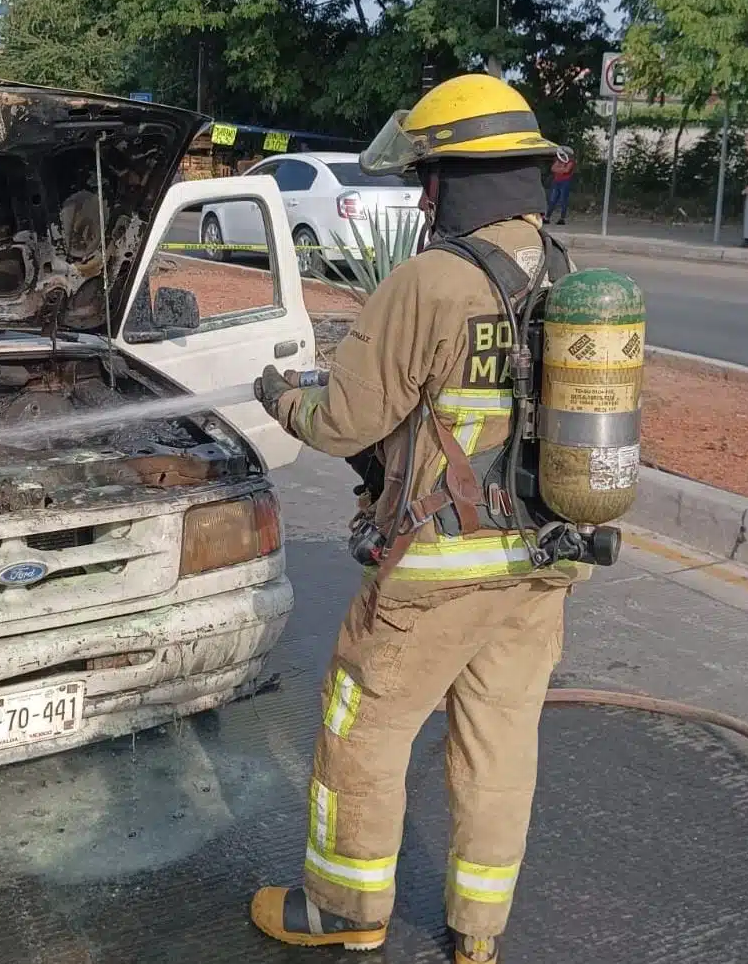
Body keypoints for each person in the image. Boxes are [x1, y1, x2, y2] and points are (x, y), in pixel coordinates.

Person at [248, 74, 588, 964]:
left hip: (435, 576)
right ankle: (478, 935)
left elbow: (343, 423)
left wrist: (280, 395)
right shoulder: (566, 273)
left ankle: (344, 910)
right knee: (500, 743)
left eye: (424, 179)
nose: (421, 196)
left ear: (443, 181)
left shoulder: (429, 281)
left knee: (360, 733)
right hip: (542, 563)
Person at [545, 146, 575, 224]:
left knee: (563, 201)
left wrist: (558, 168)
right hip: (557, 182)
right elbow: (553, 169)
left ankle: (562, 219)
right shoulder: (559, 160)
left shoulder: (570, 161)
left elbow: (566, 170)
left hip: (565, 182)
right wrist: (561, 169)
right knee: (552, 200)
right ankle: (547, 217)